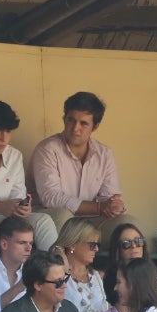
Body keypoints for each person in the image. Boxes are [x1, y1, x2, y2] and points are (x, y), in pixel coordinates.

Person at [0, 100, 54, 263]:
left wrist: (21, 207)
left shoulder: (14, 156)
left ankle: (55, 274)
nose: (4, 138)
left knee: (43, 220)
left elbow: (17, 196)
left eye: (8, 131)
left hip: (2, 221)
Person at [30, 92, 123, 237]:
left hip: (92, 220)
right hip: (52, 217)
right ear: (64, 119)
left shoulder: (105, 154)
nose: (75, 128)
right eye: (71, 120)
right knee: (63, 216)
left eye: (83, 123)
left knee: (125, 223)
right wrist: (98, 207)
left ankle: (126, 261)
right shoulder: (47, 149)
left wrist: (114, 206)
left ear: (95, 127)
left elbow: (108, 197)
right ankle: (62, 260)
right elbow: (50, 197)